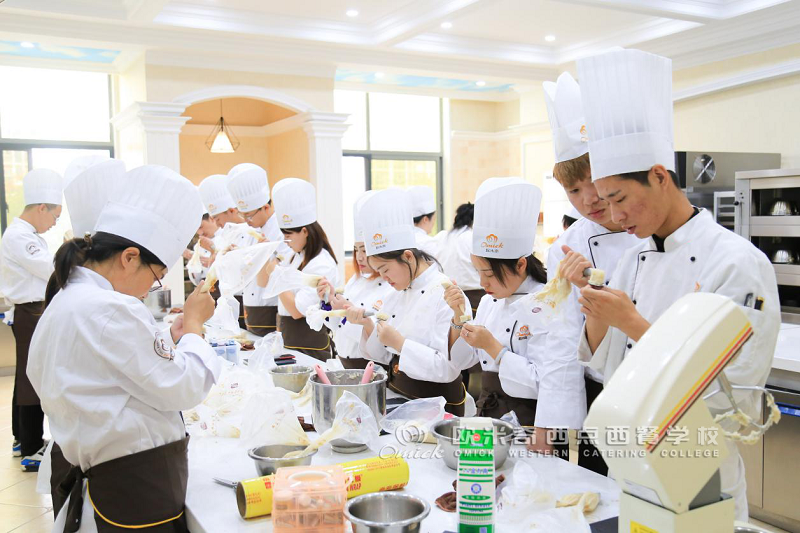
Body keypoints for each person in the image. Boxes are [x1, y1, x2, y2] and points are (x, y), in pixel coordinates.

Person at [570, 48, 779, 521]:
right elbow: (604, 366)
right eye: (605, 202)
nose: (614, 215)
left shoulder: (737, 262)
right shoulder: (633, 258)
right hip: (628, 461)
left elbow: (734, 396)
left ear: (659, 176)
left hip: (697, 465)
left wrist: (632, 322)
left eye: (620, 198)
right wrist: (597, 316)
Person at [27, 164, 220, 531]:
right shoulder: (109, 308)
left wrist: (169, 339)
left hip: (108, 473)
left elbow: (113, 371)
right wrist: (195, 326)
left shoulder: (70, 298)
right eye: (156, 275)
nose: (151, 288)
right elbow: (183, 387)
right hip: (134, 484)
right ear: (130, 257)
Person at [529, 71, 642, 470]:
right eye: (573, 190)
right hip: (599, 397)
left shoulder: (654, 232)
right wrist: (552, 429)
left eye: (593, 182)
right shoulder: (570, 244)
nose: (588, 199)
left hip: (656, 394)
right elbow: (560, 339)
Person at [446, 178, 561, 448]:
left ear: (520, 265)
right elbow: (461, 362)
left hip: (532, 423)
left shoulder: (548, 303)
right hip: (487, 414)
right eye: (478, 273)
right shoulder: (490, 301)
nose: (483, 283)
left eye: (489, 274)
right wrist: (458, 317)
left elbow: (546, 382)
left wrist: (494, 348)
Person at [348, 188, 471, 415]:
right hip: (397, 395)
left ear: (407, 256)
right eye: (378, 272)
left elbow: (448, 368)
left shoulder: (445, 293)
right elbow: (383, 355)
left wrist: (401, 344)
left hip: (437, 405)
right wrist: (368, 326)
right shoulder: (394, 292)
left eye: (385, 270)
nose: (384, 278)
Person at [0, 168, 63, 472]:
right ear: (41, 208)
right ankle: (31, 448)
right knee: (31, 378)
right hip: (30, 312)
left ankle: (21, 439)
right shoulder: (19, 237)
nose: (54, 224)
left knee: (25, 376)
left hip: (31, 311)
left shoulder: (26, 235)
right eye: (54, 216)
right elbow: (50, 268)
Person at [258, 178, 340, 359]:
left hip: (310, 344)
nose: (286, 241)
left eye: (289, 235)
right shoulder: (294, 256)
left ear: (305, 231)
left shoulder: (321, 263)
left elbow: (296, 311)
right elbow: (263, 282)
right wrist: (264, 255)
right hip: (290, 338)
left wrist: (277, 275)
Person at [315, 190, 394, 369]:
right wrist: (329, 300)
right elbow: (337, 326)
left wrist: (346, 312)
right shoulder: (356, 280)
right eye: (356, 249)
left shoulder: (390, 287)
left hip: (369, 366)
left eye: (364, 250)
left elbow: (374, 338)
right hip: (344, 362)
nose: (359, 257)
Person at [226, 164, 286, 336]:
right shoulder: (252, 231)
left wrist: (263, 254)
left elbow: (275, 276)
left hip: (271, 310)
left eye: (249, 215)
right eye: (242, 215)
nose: (246, 220)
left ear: (266, 207)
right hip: (250, 309)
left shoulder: (281, 231)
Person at [407, 185, 439, 257]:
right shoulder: (427, 243)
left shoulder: (406, 237)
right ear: (426, 219)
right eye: (434, 219)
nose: (434, 223)